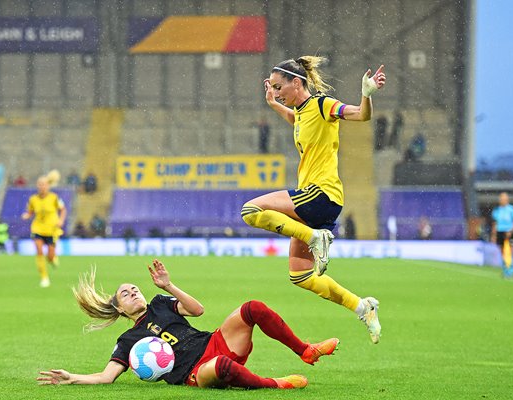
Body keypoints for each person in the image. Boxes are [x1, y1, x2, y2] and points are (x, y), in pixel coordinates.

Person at [240, 56, 385, 344]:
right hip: (319, 202)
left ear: (297, 82)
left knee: (250, 210)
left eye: (280, 86)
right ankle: (362, 307)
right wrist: (273, 103)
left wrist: (366, 95)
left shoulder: (322, 104)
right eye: (273, 86)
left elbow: (361, 115)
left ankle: (316, 238)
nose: (277, 91)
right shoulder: (301, 114)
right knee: (301, 276)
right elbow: (294, 118)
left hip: (320, 193)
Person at [37, 259, 338, 389]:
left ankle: (305, 351)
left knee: (252, 308)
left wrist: (169, 286)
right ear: (118, 308)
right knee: (222, 367)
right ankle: (276, 384)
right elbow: (106, 377)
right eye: (125, 294)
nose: (133, 292)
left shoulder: (158, 302)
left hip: (214, 341)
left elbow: (198, 310)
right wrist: (71, 377)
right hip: (194, 372)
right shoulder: (129, 341)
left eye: (135, 288)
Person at [21, 170, 66, 287]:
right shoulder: (33, 199)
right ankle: (44, 278)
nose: (42, 187)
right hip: (37, 228)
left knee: (50, 257)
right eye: (40, 184)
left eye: (44, 184)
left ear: (48, 186)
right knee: (39, 251)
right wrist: (27, 215)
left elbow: (63, 209)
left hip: (51, 230)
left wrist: (61, 220)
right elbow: (30, 211)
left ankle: (53, 259)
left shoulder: (54, 198)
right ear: (37, 186)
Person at [490, 192, 513, 278]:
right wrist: (493, 235)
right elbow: (495, 223)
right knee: (502, 252)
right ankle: (505, 270)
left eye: (504, 199)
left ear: (507, 200)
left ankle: (511, 270)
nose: (502, 200)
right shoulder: (497, 210)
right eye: (501, 199)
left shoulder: (511, 209)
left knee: (510, 251)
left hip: (509, 232)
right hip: (500, 232)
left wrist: (511, 230)